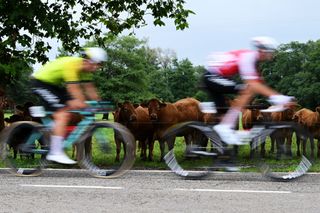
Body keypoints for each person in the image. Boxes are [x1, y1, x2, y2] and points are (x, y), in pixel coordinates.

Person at [201, 36, 294, 145]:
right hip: (212, 77)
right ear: (263, 51)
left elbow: (260, 84)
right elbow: (253, 84)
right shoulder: (248, 57)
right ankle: (224, 128)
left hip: (214, 77)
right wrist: (278, 97)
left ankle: (223, 154)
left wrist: (274, 96)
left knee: (223, 115)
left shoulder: (254, 62)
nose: (272, 55)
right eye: (271, 52)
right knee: (247, 90)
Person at [31, 47, 107, 164]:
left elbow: (90, 89)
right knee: (62, 114)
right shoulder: (72, 65)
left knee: (71, 108)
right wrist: (82, 103)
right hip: (40, 83)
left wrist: (99, 103)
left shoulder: (85, 72)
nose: (97, 68)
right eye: (96, 64)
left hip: (53, 85)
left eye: (99, 65)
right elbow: (73, 89)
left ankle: (55, 131)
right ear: (88, 61)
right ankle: (55, 152)